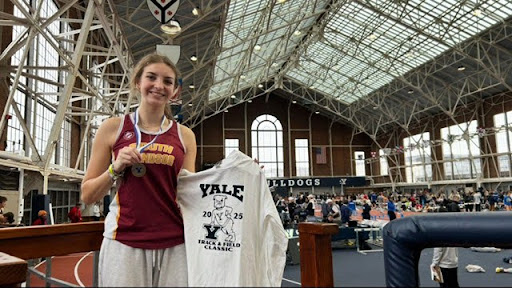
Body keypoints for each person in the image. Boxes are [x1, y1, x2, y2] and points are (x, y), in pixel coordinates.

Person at [80, 53, 197, 287]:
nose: (159, 86)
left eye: (167, 81)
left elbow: (191, 193)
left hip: (176, 243)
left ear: (174, 91)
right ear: (137, 83)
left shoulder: (185, 136)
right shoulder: (113, 128)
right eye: (151, 77)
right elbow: (87, 195)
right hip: (125, 240)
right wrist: (115, 168)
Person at [431, 207, 459, 288]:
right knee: (454, 284)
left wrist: (434, 263)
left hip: (443, 264)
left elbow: (438, 250)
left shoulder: (439, 230)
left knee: (444, 284)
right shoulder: (453, 228)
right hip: (453, 262)